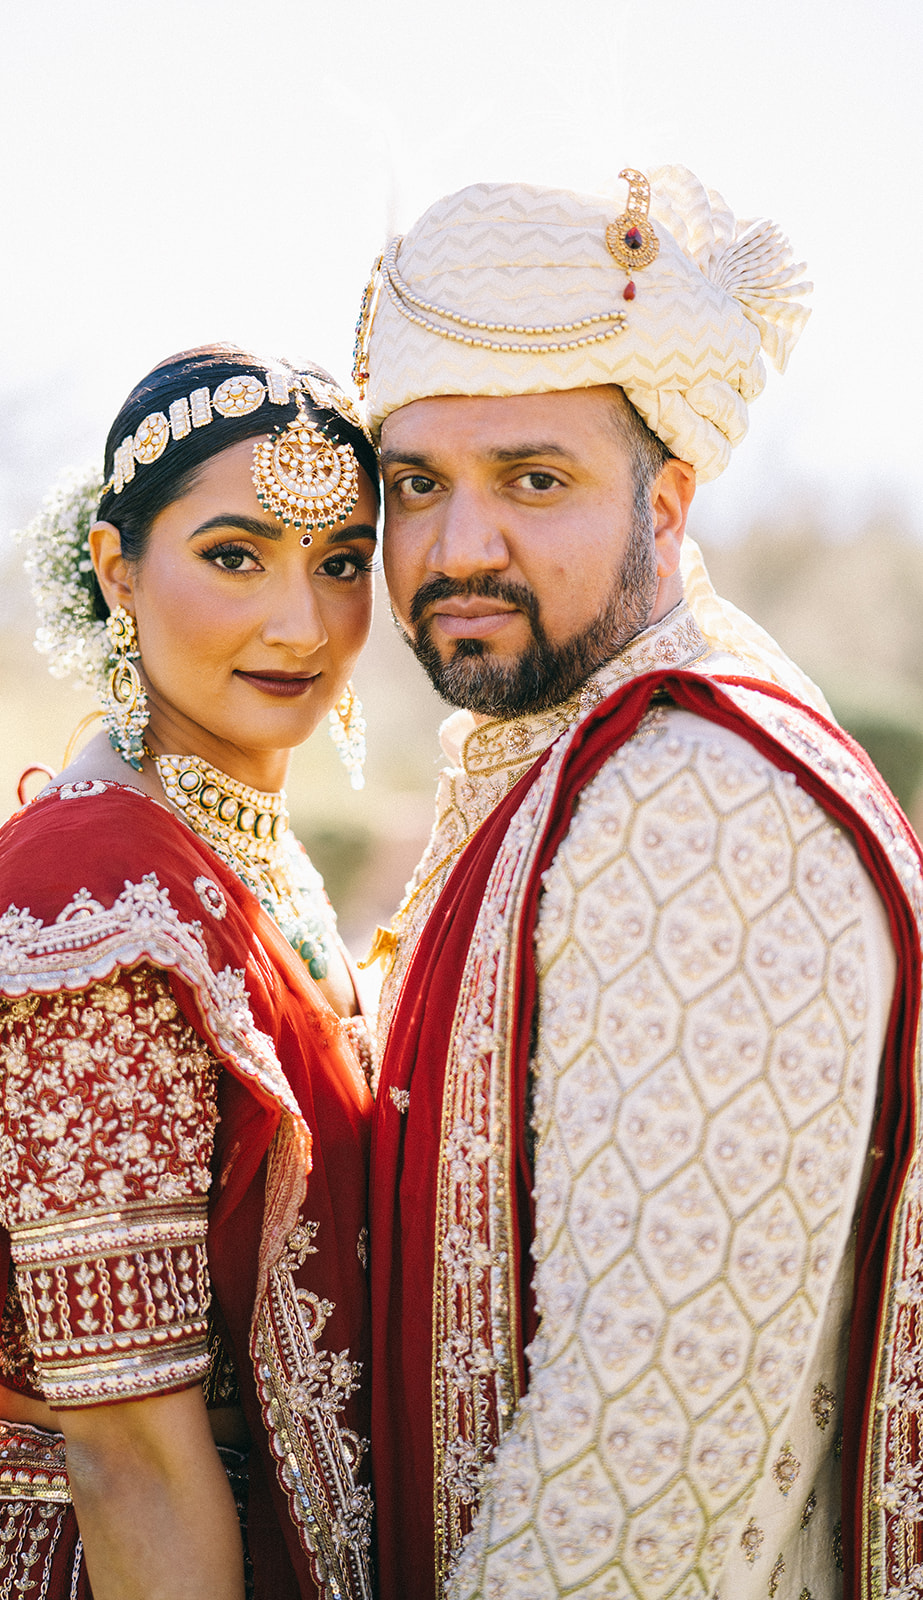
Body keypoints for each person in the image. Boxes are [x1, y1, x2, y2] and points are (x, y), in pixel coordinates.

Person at [356, 168, 923, 1599]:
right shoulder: (565, 753)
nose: (452, 545)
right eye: (415, 484)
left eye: (532, 480)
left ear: (665, 503)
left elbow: (641, 1463)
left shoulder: (696, 798)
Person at [0, 345, 380, 1600]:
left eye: (343, 563)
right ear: (114, 570)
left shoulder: (238, 859)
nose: (299, 622)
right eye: (233, 555)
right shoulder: (91, 913)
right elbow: (131, 1449)